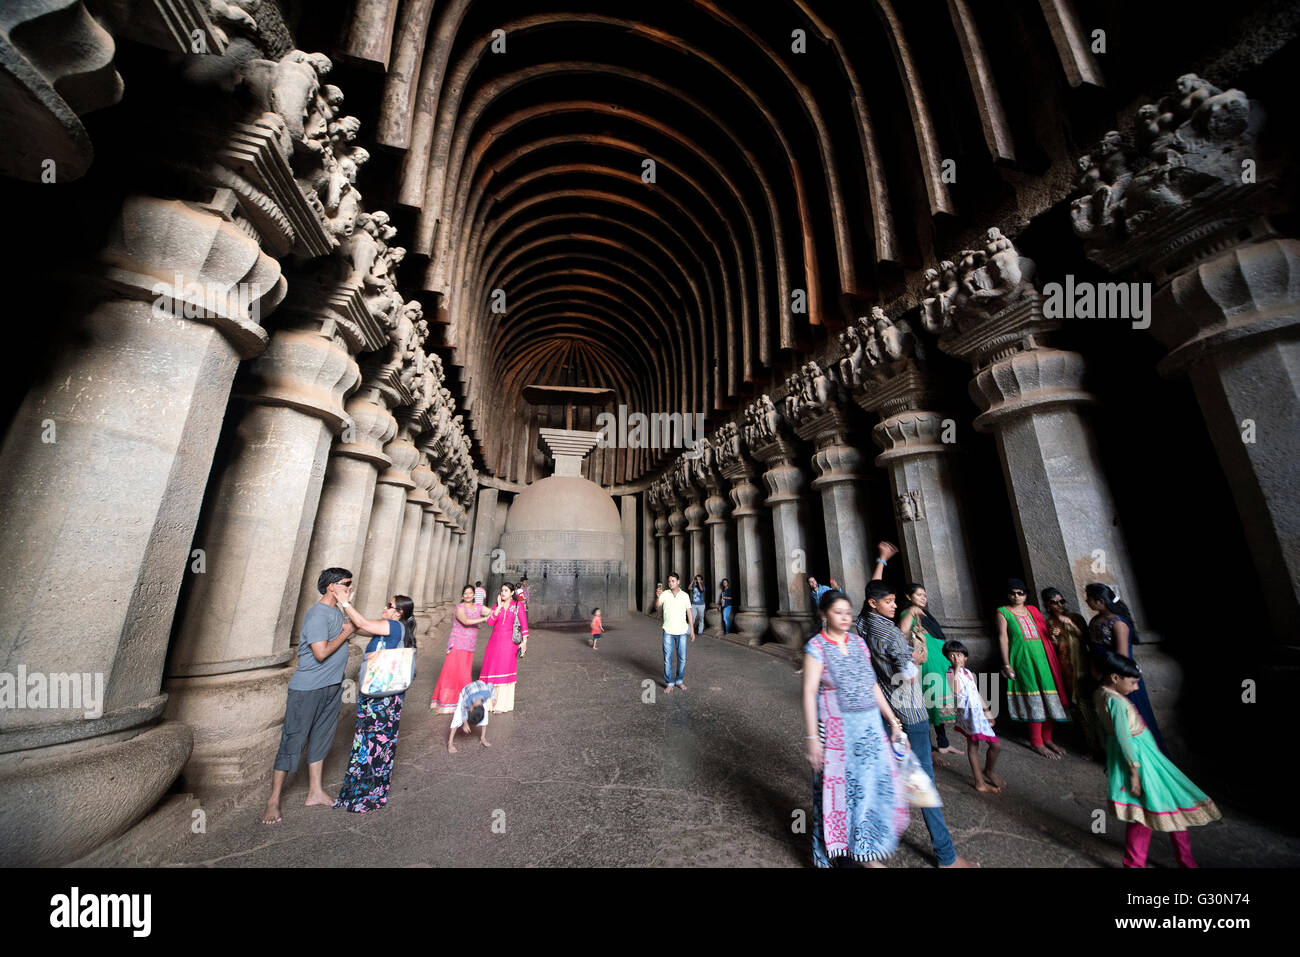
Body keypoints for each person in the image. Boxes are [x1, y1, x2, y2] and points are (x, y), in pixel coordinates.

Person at [857, 580, 978, 867]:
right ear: (874, 603)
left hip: (887, 713)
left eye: (894, 600)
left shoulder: (865, 623)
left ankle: (867, 844)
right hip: (911, 715)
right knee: (924, 784)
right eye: (888, 601)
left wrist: (881, 561)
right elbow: (909, 674)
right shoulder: (893, 635)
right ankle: (947, 856)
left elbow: (870, 598)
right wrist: (917, 657)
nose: (895, 605)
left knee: (884, 779)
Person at [803, 589, 909, 866]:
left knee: (869, 791)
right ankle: (834, 855)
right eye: (837, 612)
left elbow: (871, 685)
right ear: (824, 614)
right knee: (835, 796)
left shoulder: (859, 643)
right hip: (836, 732)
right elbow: (808, 691)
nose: (844, 618)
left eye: (848, 613)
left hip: (869, 730)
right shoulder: (816, 646)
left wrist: (893, 721)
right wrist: (813, 738)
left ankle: (865, 848)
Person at [1094, 652, 1219, 867]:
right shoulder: (1115, 701)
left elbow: (1105, 732)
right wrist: (1134, 773)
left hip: (1140, 755)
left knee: (1162, 803)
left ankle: (1178, 861)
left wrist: (1110, 757)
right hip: (1140, 759)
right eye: (1133, 683)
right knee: (1147, 809)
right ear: (1115, 677)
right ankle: (1142, 863)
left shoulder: (1100, 693)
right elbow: (1123, 736)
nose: (1135, 688)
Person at [263, 567, 356, 825]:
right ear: (331, 586)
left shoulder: (337, 611)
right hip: (308, 688)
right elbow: (321, 653)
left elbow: (359, 626)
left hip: (332, 686)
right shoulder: (317, 615)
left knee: (322, 738)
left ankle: (315, 792)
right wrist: (346, 633)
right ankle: (274, 799)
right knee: (293, 739)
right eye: (346, 583)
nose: (350, 587)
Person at [334, 593, 415, 812]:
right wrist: (341, 610)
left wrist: (344, 601)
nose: (385, 607)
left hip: (384, 698)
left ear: (398, 613)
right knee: (366, 740)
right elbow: (356, 627)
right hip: (374, 692)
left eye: (389, 605)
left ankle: (369, 794)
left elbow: (360, 623)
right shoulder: (386, 628)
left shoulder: (394, 626)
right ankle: (357, 790)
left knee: (376, 744)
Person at [1085, 583, 1167, 755]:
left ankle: (1140, 756)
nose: (1087, 601)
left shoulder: (1118, 623)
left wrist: (1107, 677)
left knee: (1132, 718)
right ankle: (1119, 754)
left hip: (1120, 678)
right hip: (1101, 675)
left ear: (1100, 601)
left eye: (1089, 598)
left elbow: (1122, 657)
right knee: (1112, 718)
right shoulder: (1095, 620)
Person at [996, 578, 1070, 759]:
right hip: (1022, 659)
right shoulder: (1003, 612)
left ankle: (1048, 738)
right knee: (1033, 697)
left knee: (1048, 696)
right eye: (1012, 593)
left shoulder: (1033, 611)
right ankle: (1037, 741)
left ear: (1026, 595)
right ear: (1008, 595)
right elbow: (1003, 638)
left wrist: (1053, 637)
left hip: (1043, 658)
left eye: (1020, 593)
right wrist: (1006, 663)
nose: (1016, 596)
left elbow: (1044, 634)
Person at [898, 582, 961, 762]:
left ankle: (943, 742)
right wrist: (911, 612)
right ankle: (926, 746)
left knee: (936, 704)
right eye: (919, 595)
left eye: (924, 595)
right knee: (930, 701)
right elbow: (903, 632)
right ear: (909, 597)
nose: (923, 598)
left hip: (939, 662)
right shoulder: (907, 613)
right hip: (927, 665)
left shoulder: (927, 614)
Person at [1043, 586, 1102, 756]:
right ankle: (1089, 744)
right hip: (1066, 668)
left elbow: (1086, 639)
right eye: (1054, 602)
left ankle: (1098, 745)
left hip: (1081, 665)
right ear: (1048, 606)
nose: (1059, 605)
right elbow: (1054, 648)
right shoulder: (1050, 622)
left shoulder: (1075, 617)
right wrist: (1053, 637)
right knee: (1076, 707)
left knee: (1088, 704)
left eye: (1061, 601)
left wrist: (1071, 625)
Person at [944, 640, 1003, 792]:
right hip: (968, 715)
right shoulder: (951, 674)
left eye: (959, 655)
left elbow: (976, 693)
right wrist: (956, 669)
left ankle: (988, 771)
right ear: (948, 659)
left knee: (996, 746)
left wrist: (987, 711)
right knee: (973, 745)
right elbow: (956, 691)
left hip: (978, 714)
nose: (956, 659)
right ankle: (980, 782)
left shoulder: (968, 673)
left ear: (966, 657)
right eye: (952, 656)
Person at [430, 586, 488, 714]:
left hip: (469, 646)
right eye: (465, 593)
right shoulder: (459, 608)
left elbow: (493, 612)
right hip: (457, 644)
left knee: (464, 672)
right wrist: (484, 619)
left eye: (470, 593)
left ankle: (460, 702)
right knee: (453, 672)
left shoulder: (478, 607)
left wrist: (501, 605)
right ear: (462, 596)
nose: (467, 595)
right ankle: (447, 703)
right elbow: (466, 621)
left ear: (474, 595)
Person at [480, 582, 529, 712]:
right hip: (494, 643)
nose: (503, 593)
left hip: (509, 644)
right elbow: (490, 622)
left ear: (512, 593)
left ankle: (501, 704)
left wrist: (524, 642)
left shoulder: (517, 606)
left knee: (504, 669)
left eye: (506, 590)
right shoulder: (497, 605)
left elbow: (524, 624)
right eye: (502, 590)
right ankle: (490, 703)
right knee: (492, 669)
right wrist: (498, 607)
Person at [656, 572, 694, 694]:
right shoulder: (665, 594)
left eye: (673, 581)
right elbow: (657, 606)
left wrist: (692, 630)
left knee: (682, 658)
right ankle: (670, 682)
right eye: (669, 581)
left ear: (678, 582)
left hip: (682, 631)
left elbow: (689, 613)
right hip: (668, 630)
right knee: (667, 658)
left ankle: (679, 680)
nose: (670, 583)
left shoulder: (685, 595)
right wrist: (658, 596)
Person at [447, 679, 494, 753]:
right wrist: (465, 723)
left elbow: (491, 685)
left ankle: (483, 738)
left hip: (479, 691)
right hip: (465, 693)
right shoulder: (467, 701)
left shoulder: (487, 693)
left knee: (485, 717)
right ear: (471, 708)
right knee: (457, 717)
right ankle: (450, 743)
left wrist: (493, 698)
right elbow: (463, 709)